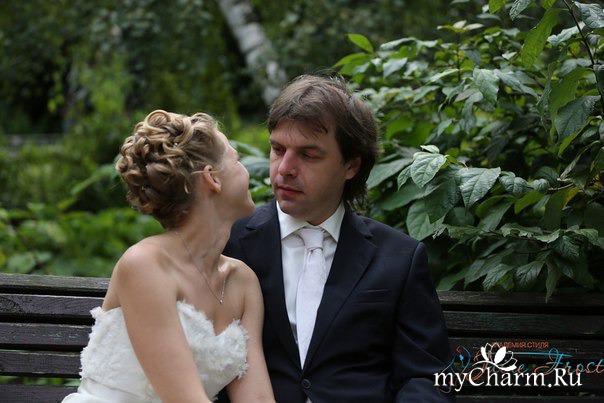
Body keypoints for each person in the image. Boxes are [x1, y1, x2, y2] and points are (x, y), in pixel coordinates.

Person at [222, 75, 454, 402]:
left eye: (308, 155)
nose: (285, 168)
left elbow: (427, 377)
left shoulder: (400, 258)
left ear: (351, 165)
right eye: (278, 149)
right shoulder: (229, 244)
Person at [62, 110, 276, 403]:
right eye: (237, 160)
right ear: (212, 178)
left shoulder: (242, 281)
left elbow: (257, 398)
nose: (247, 170)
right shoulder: (145, 265)